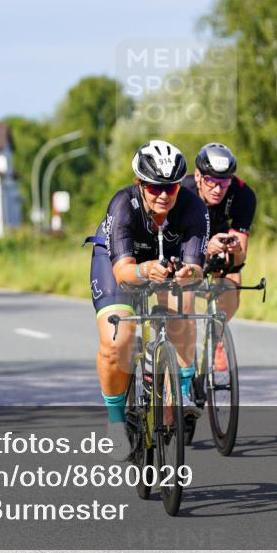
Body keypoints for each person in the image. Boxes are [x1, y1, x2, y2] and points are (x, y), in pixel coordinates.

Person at [88, 140, 209, 458]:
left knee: (183, 305)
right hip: (119, 264)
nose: (164, 195)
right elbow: (124, 273)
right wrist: (146, 271)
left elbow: (196, 267)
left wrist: (187, 276)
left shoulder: (193, 207)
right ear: (139, 184)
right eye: (155, 187)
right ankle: (116, 421)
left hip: (163, 263)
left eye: (170, 187)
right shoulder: (123, 205)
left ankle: (180, 393)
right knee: (118, 342)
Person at [181, 142, 257, 370]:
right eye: (211, 182)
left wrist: (233, 251)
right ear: (197, 176)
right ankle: (182, 355)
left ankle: (217, 337)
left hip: (220, 236)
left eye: (224, 183)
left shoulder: (243, 195)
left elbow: (239, 260)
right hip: (187, 240)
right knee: (183, 295)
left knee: (233, 284)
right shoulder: (182, 192)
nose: (217, 189)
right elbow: (173, 245)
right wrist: (204, 251)